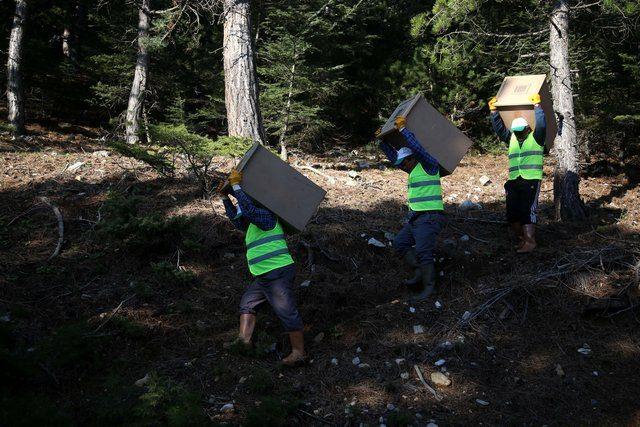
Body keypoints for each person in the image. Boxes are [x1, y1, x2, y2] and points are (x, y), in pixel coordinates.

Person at [219, 169, 306, 366]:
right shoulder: (251, 224)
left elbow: (248, 209)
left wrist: (236, 187)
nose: (245, 208)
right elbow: (237, 219)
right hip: (264, 275)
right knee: (247, 304)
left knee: (286, 311)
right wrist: (226, 198)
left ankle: (299, 352)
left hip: (278, 272)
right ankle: (244, 342)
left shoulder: (267, 217)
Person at [376, 116, 445, 302]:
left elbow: (419, 149)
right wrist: (382, 143)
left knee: (424, 252)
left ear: (413, 159)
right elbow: (394, 158)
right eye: (402, 164)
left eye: (405, 162)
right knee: (400, 243)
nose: (403, 166)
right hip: (417, 219)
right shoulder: (412, 169)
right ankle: (418, 272)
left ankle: (429, 287)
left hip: (430, 217)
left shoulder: (430, 166)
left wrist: (404, 131)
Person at [489, 94, 546, 253]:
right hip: (514, 181)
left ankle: (530, 242)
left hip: (531, 180)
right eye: (517, 131)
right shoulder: (512, 138)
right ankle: (522, 240)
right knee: (512, 213)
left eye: (521, 131)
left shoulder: (537, 138)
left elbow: (541, 125)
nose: (519, 134)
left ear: (528, 128)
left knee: (527, 211)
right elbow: (500, 130)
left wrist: (537, 107)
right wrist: (494, 112)